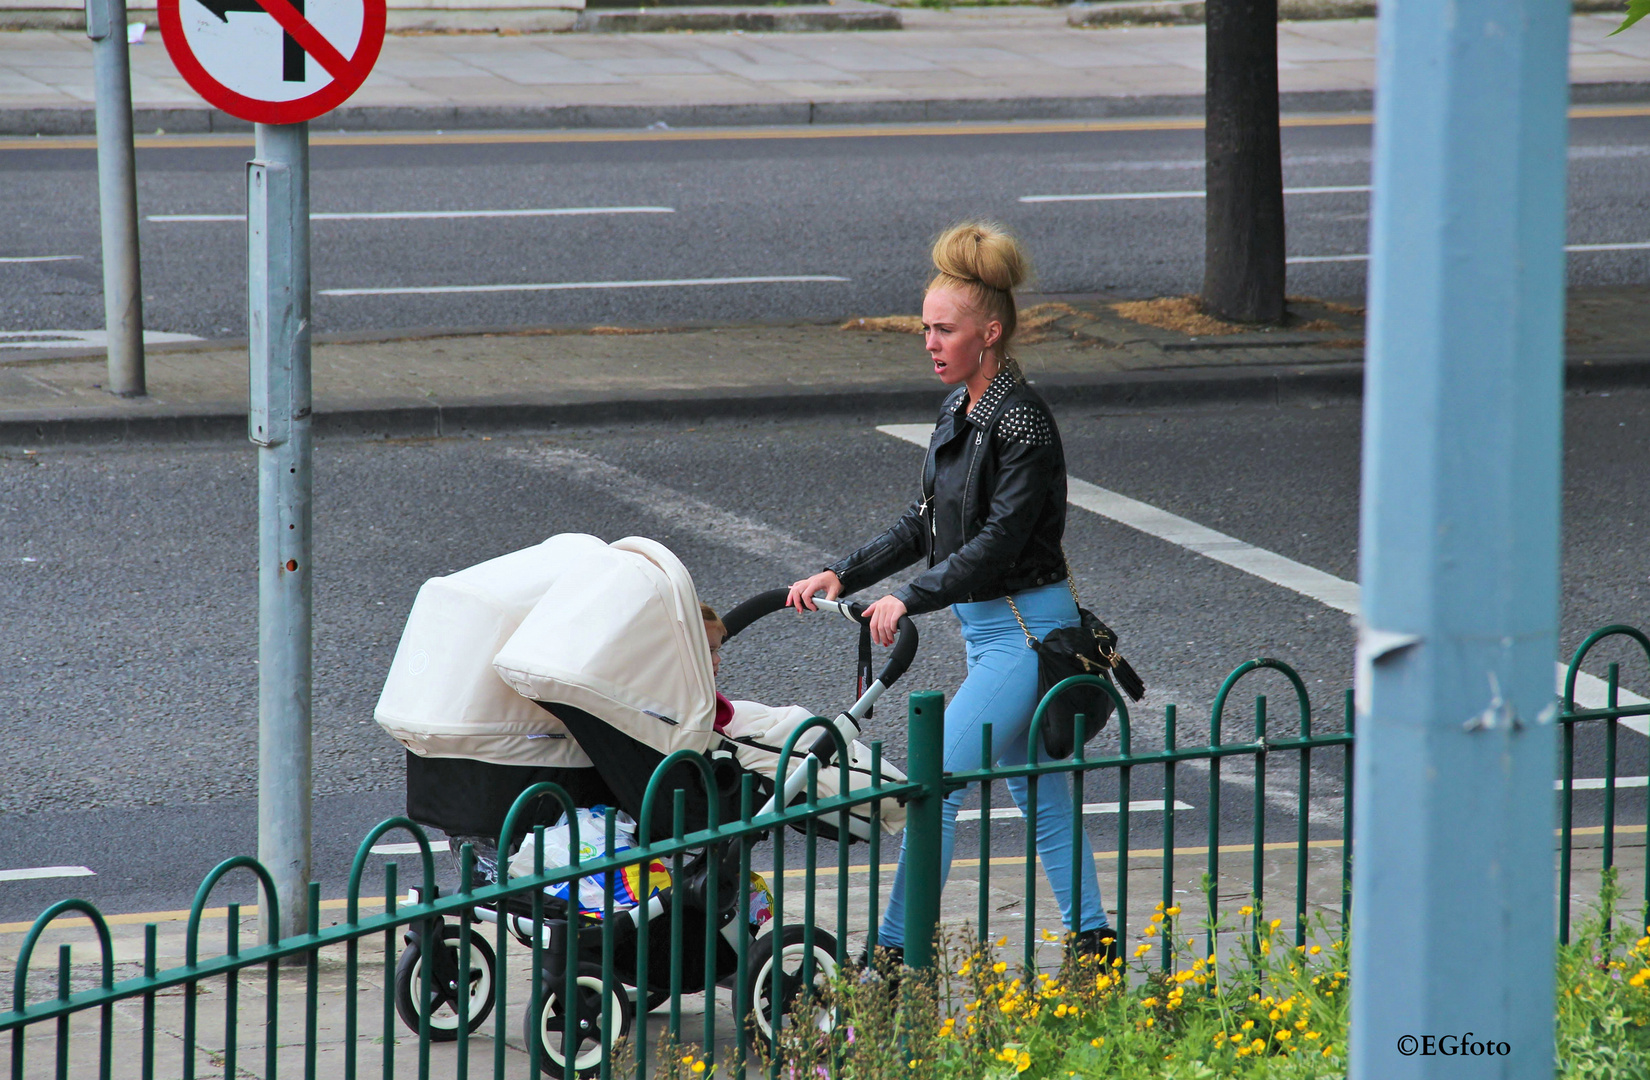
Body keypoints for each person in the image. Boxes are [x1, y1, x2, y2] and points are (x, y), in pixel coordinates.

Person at [786, 221, 1115, 966]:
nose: (929, 342)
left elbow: (998, 540)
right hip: (993, 634)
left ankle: (897, 960)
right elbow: (928, 520)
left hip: (1027, 636)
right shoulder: (958, 409)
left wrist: (910, 598)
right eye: (925, 328)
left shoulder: (1022, 420)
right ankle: (1098, 949)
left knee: (935, 785)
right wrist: (848, 572)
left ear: (990, 332)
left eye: (945, 329)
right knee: (1043, 798)